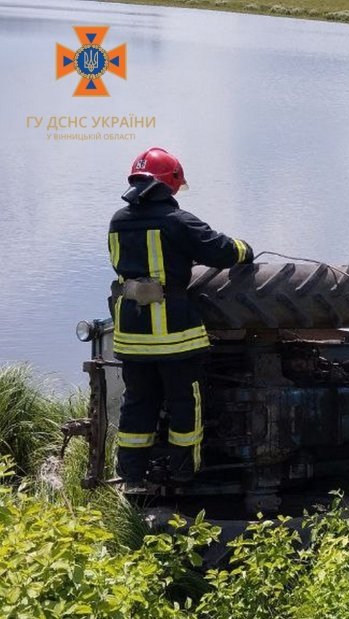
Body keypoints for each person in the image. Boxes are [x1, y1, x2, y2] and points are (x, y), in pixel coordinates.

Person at [108, 146, 254, 486]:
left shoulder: (117, 221)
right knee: (185, 404)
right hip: (174, 335)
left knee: (138, 403)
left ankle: (131, 475)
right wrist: (244, 249)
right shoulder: (177, 221)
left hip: (131, 334)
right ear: (169, 183)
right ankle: (183, 472)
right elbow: (220, 250)